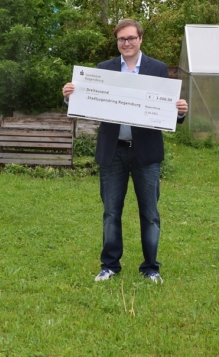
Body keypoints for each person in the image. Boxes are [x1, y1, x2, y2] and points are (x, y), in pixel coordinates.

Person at [62, 19, 188, 283]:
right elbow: (87, 104)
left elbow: (166, 110)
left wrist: (178, 113)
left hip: (147, 153)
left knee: (150, 213)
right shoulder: (103, 70)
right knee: (110, 211)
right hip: (113, 152)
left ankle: (151, 267)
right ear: (117, 42)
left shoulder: (158, 69)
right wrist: (70, 96)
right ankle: (109, 265)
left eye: (131, 38)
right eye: (121, 39)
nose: (126, 43)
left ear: (140, 38)